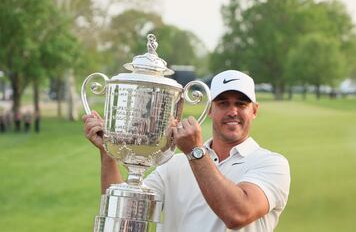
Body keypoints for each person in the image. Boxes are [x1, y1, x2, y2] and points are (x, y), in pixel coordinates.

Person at [83, 70, 291, 232]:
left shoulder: (271, 163)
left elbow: (237, 213)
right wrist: (108, 152)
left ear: (254, 110)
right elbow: (125, 210)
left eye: (241, 104)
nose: (232, 111)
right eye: (223, 103)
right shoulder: (174, 165)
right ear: (210, 109)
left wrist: (194, 151)